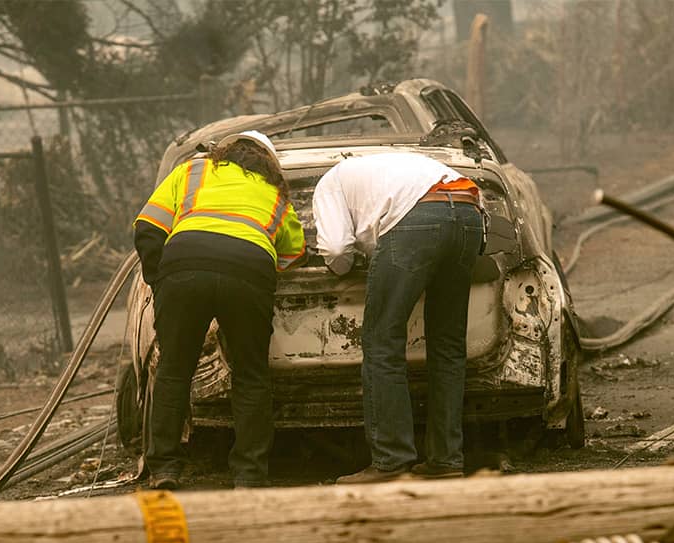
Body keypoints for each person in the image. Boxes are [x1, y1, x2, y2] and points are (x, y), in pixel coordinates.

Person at [133, 130, 305, 487]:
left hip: (185, 264)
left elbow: (147, 226)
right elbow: (294, 253)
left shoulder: (192, 171)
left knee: (174, 370)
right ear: (268, 162)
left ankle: (164, 468)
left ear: (225, 149)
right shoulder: (275, 194)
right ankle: (249, 474)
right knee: (250, 375)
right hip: (248, 269)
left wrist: (160, 280)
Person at [313, 152, 486, 483]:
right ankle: (447, 459)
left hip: (416, 220)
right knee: (448, 344)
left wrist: (344, 267)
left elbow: (335, 249)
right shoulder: (391, 167)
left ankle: (391, 461)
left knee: (382, 341)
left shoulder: (330, 181)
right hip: (468, 212)